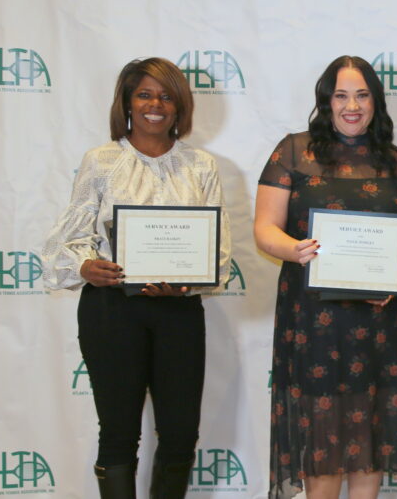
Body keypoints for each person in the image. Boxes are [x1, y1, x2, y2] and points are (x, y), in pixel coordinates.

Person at [41, 57, 232, 499]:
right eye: (144, 94)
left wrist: (189, 281)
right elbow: (67, 240)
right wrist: (87, 266)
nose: (155, 104)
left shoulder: (201, 165)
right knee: (119, 433)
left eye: (166, 96)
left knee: (182, 433)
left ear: (180, 105)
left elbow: (218, 252)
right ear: (127, 101)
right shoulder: (101, 161)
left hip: (178, 311)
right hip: (111, 310)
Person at [254, 55, 397, 499]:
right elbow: (264, 229)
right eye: (342, 95)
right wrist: (294, 249)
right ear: (326, 101)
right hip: (312, 321)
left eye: (363, 95)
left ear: (376, 101)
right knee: (322, 434)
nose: (353, 106)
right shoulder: (293, 150)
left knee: (371, 432)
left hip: (376, 322)